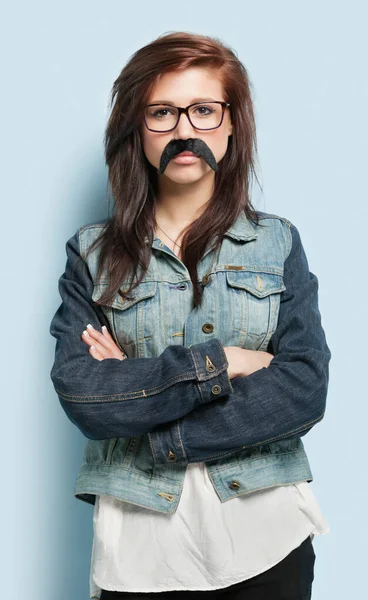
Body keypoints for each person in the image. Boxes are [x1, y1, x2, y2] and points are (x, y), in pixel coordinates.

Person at [49, 31, 331, 600]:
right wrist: (228, 361)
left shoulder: (277, 244)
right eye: (162, 112)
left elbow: (303, 387)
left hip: (266, 535)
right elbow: (85, 396)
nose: (184, 131)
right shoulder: (92, 254)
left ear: (231, 124)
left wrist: (146, 405)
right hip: (138, 548)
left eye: (203, 110)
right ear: (138, 128)